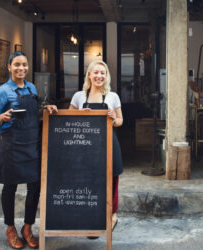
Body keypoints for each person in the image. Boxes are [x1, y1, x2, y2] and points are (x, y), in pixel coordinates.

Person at [0, 51, 57, 249]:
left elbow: (33, 115)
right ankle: (10, 228)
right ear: (9, 67)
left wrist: (47, 108)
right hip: (11, 144)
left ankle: (28, 227)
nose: (21, 68)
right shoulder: (3, 91)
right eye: (17, 65)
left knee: (34, 186)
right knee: (10, 187)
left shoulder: (31, 87)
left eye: (24, 65)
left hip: (32, 143)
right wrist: (1, 118)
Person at [69, 60, 123, 233]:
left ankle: (112, 213)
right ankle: (90, 213)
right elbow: (67, 120)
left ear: (106, 76)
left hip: (108, 143)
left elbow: (121, 121)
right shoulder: (78, 96)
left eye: (103, 73)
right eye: (96, 72)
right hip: (84, 146)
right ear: (89, 75)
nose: (99, 76)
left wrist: (114, 117)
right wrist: (78, 114)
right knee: (88, 179)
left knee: (112, 178)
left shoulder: (113, 96)